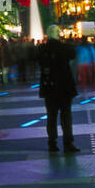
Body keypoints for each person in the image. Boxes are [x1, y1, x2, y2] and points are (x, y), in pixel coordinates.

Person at [36, 25, 80, 153]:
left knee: (51, 116)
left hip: (49, 86)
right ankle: (68, 143)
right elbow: (73, 55)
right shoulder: (65, 48)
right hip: (64, 86)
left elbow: (38, 61)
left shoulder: (42, 49)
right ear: (58, 33)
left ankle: (52, 142)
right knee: (66, 116)